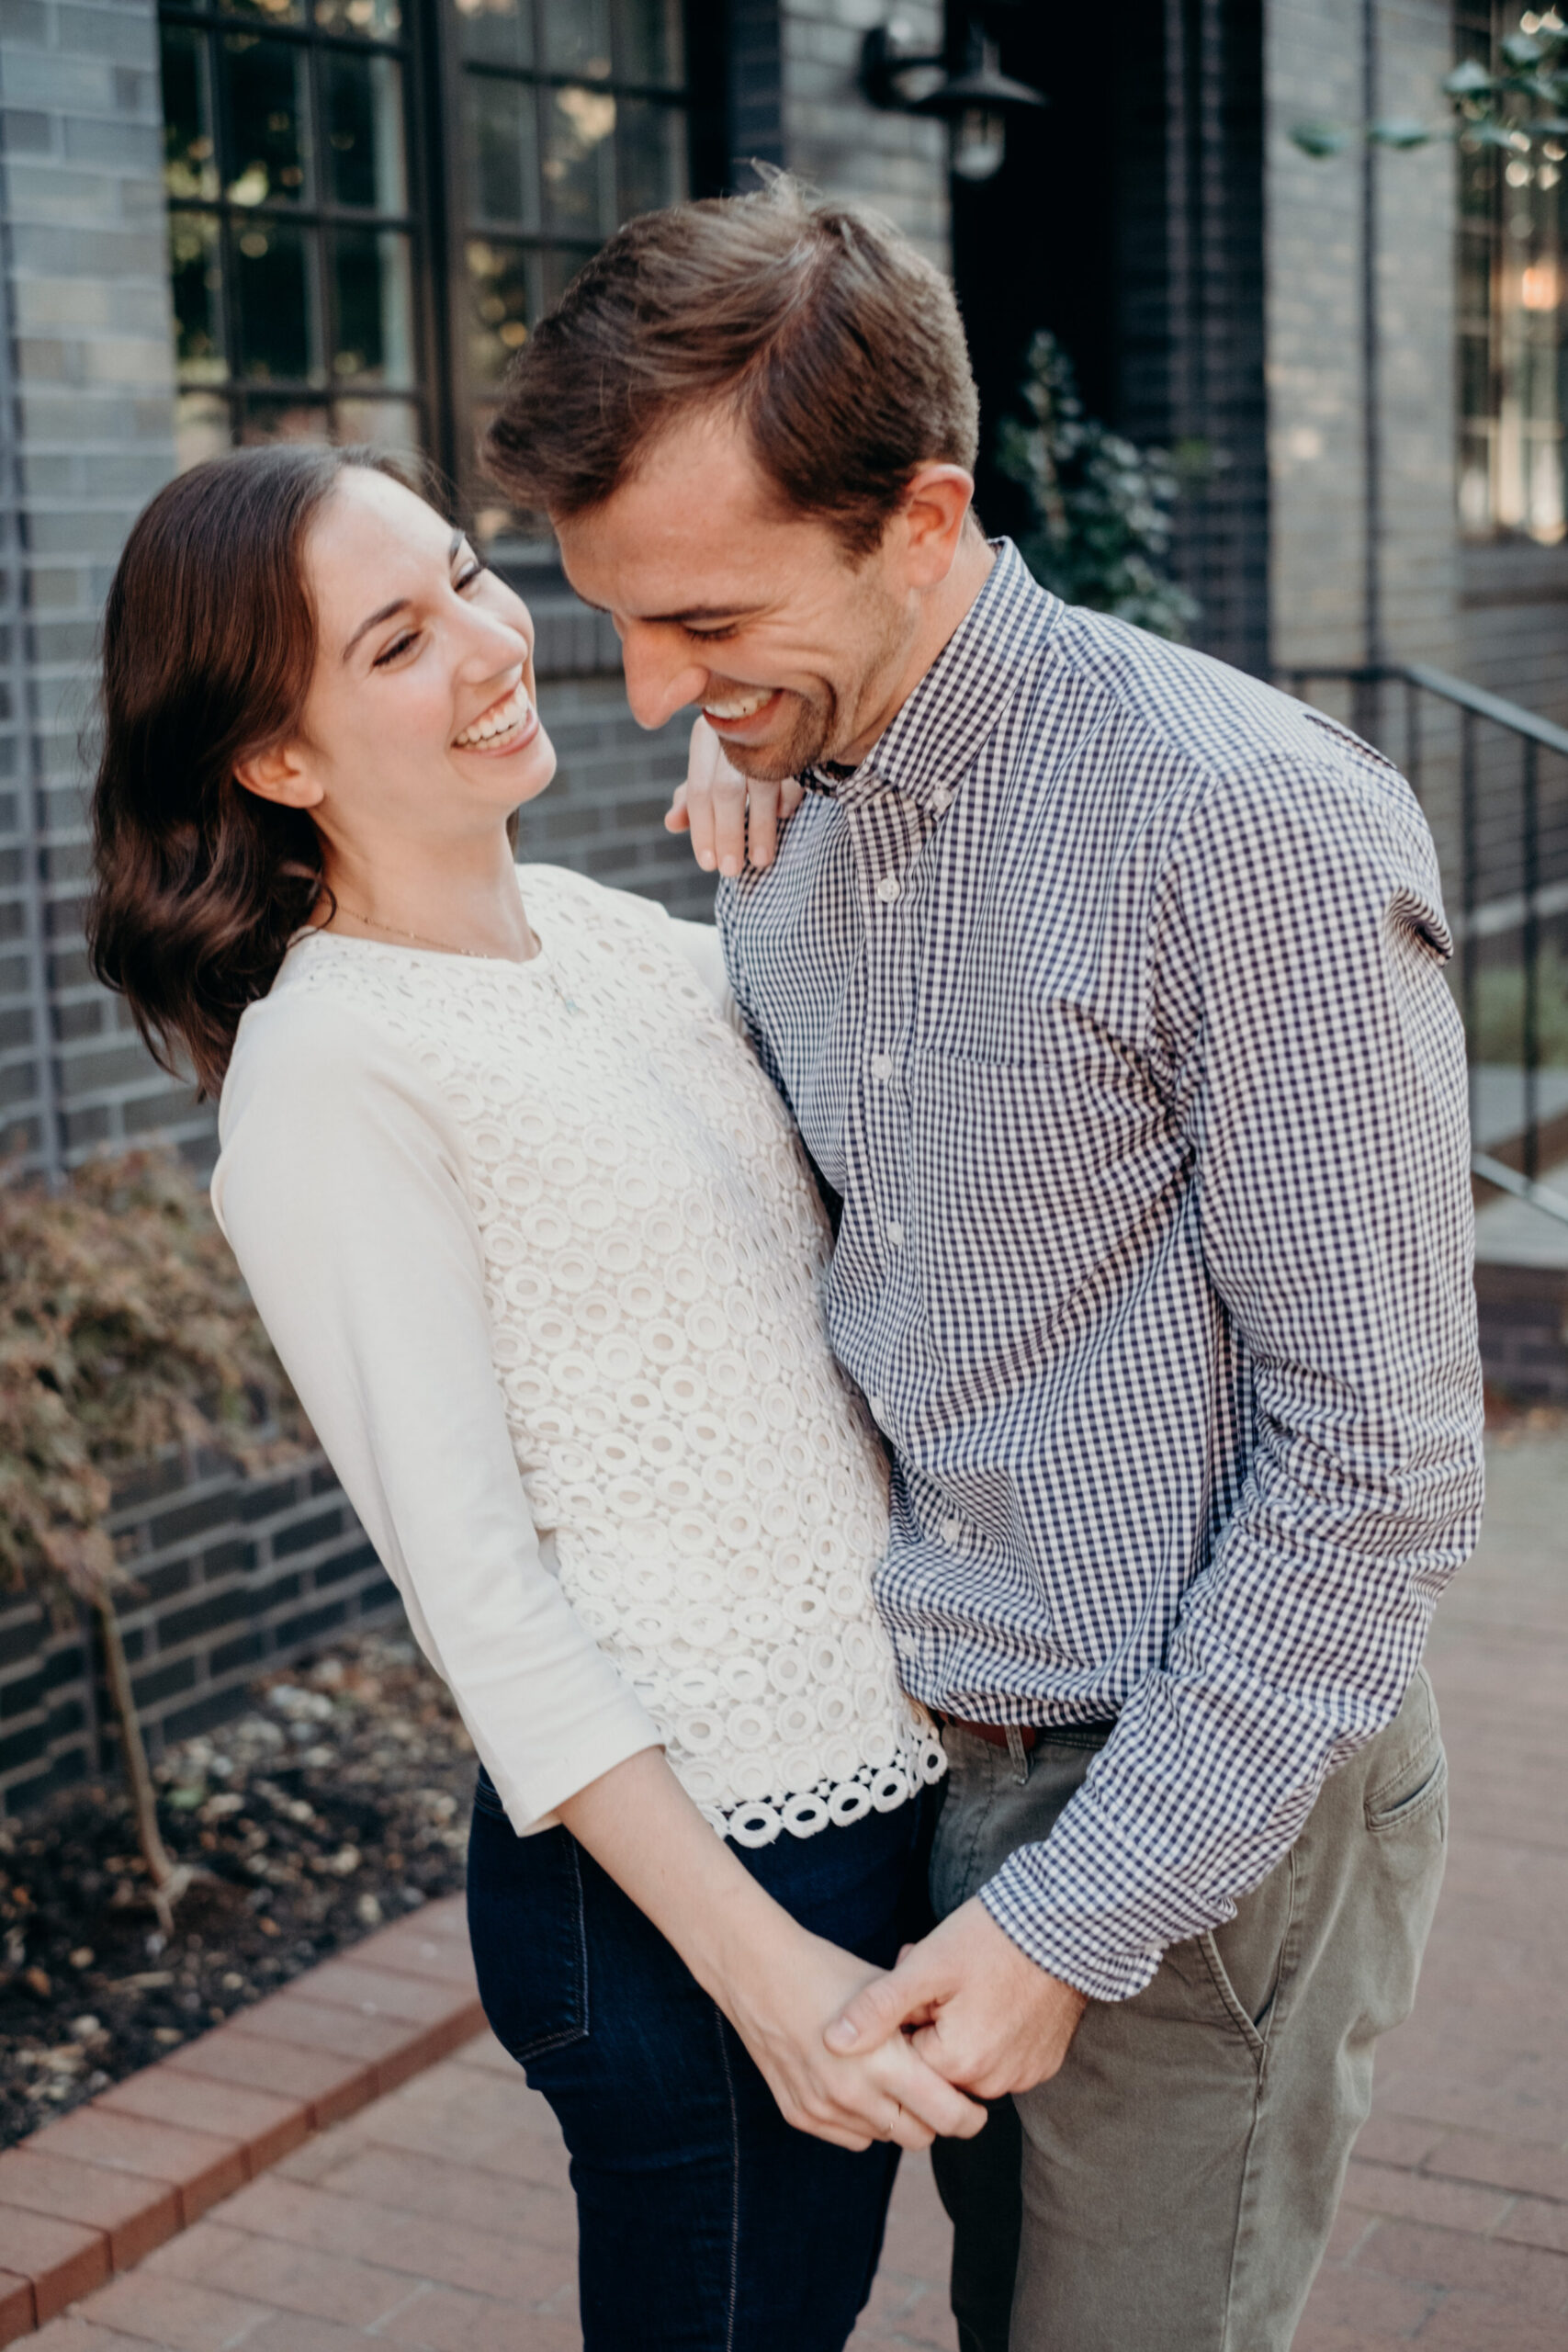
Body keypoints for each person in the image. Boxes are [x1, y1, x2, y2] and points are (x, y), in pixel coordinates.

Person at [483, 175, 1487, 2352]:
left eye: (709, 623)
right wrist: (778, 752)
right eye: (622, 624)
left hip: (1208, 1790)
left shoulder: (1242, 819)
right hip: (934, 1749)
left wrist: (1075, 1910)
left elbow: (1384, 1467)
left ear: (921, 515)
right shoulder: (787, 803)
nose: (656, 690)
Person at [85, 442, 988, 2352]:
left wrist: (772, 762)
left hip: (890, 1784)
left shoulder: (603, 931)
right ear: (278, 760)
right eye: (400, 639)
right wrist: (759, 1972)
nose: (497, 642)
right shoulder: (329, 1076)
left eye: (473, 578)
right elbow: (476, 1594)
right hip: (685, 1891)